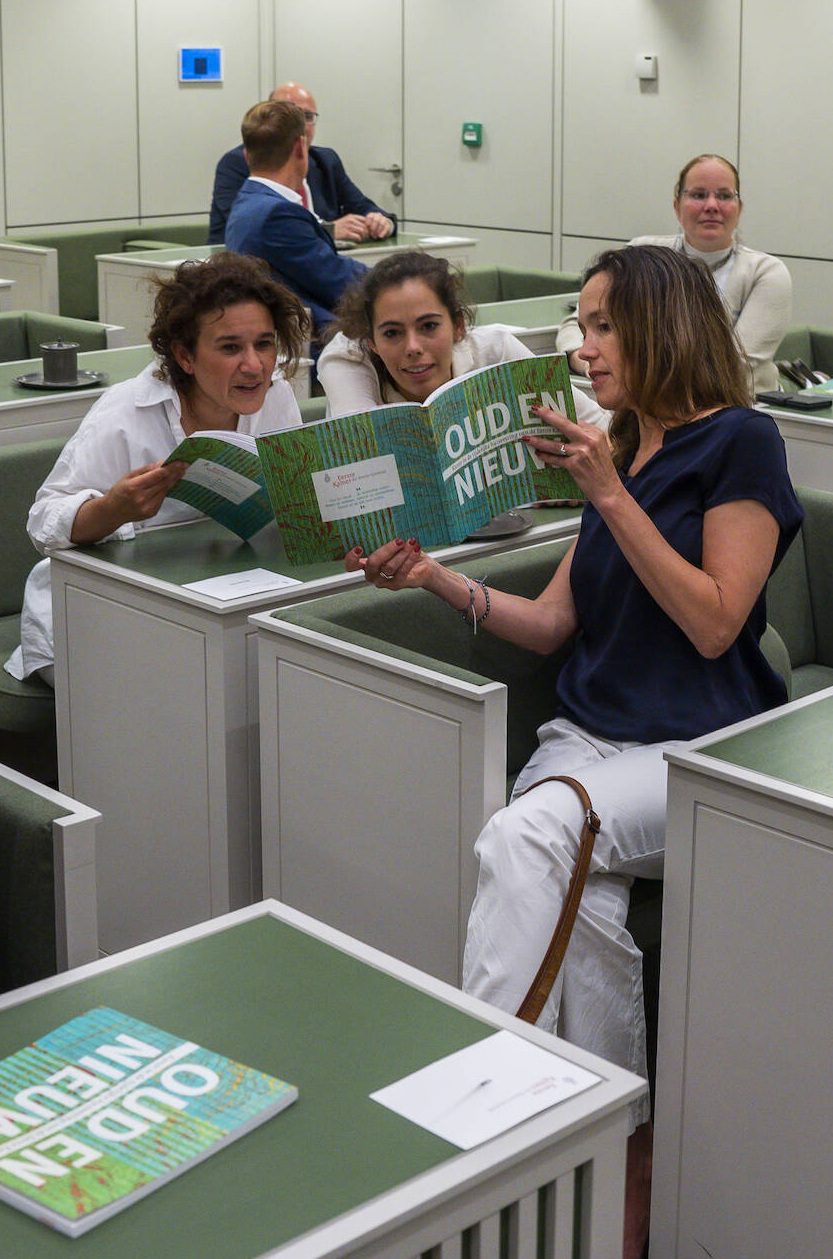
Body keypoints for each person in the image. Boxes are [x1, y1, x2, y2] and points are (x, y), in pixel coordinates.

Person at [347, 244, 801, 1254]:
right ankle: (615, 1165)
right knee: (572, 896)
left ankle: (472, 1126)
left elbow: (718, 623)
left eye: (601, 327)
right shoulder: (625, 444)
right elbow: (554, 626)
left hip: (697, 751)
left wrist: (607, 492)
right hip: (586, 737)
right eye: (580, 326)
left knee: (526, 839)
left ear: (658, 330)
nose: (581, 347)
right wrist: (431, 578)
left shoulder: (740, 444)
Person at [6, 251, 309, 684]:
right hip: (99, 610)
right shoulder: (124, 412)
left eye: (264, 343)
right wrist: (112, 509)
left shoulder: (277, 396)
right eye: (230, 347)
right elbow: (42, 523)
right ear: (185, 357)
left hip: (218, 597)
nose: (255, 365)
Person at [557, 153, 792, 393]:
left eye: (724, 196)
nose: (711, 206)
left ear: (739, 208)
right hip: (642, 401)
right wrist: (587, 364)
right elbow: (575, 329)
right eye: (699, 195)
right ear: (676, 206)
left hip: (737, 407)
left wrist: (621, 369)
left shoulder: (767, 273)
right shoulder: (640, 254)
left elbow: (732, 365)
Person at [318, 250, 608, 429]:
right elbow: (356, 456)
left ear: (458, 326)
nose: (413, 348)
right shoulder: (347, 360)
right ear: (371, 341)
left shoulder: (495, 349)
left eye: (429, 326)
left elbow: (598, 425)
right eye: (392, 333)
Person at [223, 100, 369, 332]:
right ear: (301, 147)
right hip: (315, 342)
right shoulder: (278, 215)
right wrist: (401, 278)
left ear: (247, 156)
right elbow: (339, 280)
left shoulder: (246, 202)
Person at [208, 82, 396, 245]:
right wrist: (328, 230)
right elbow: (258, 227)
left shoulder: (325, 161)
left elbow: (362, 206)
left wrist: (383, 222)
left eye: (308, 117)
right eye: (292, 115)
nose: (301, 125)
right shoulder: (237, 162)